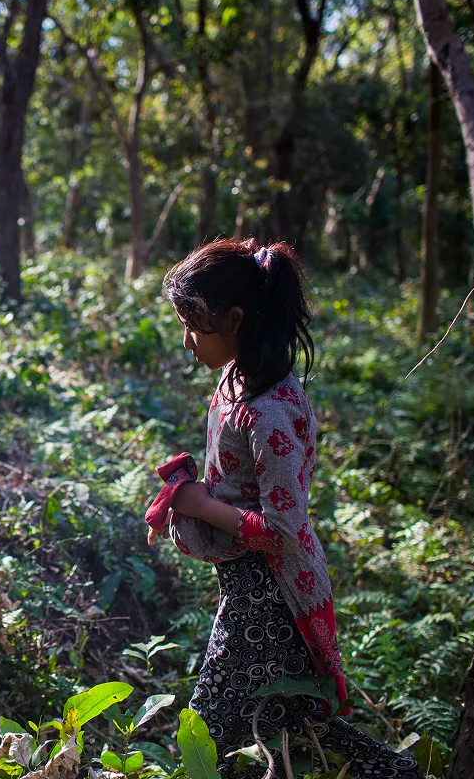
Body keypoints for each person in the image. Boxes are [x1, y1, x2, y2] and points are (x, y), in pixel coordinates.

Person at [145, 239, 423, 778]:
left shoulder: (269, 413)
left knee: (213, 726)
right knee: (284, 720)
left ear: (236, 319)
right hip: (250, 583)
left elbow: (283, 530)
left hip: (273, 592)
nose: (187, 341)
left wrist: (201, 504)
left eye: (197, 328)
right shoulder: (235, 382)